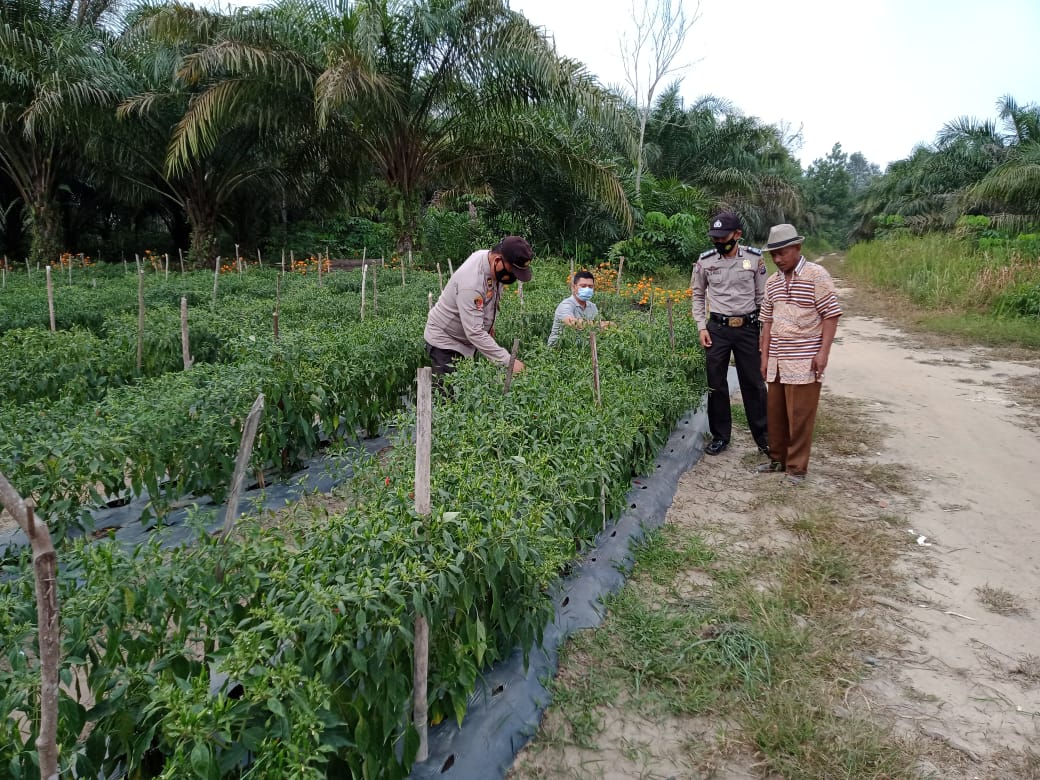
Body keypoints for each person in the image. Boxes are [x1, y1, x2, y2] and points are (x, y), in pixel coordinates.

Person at [757, 224, 842, 485]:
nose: (778, 259)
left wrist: (823, 353)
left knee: (800, 415)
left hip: (804, 359)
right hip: (778, 360)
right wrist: (764, 356)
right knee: (776, 413)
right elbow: (767, 321)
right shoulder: (772, 282)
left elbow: (831, 314)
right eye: (774, 255)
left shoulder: (817, 276)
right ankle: (777, 459)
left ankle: (796, 468)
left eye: (782, 253)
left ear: (797, 248)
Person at [691, 211, 769, 456]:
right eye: (715, 238)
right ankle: (720, 436)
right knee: (716, 384)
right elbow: (697, 294)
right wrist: (701, 326)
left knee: (754, 384)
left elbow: (762, 298)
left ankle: (764, 438)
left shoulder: (755, 259)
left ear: (737, 235)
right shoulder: (705, 261)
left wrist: (763, 332)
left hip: (748, 328)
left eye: (723, 237)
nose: (718, 242)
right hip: (717, 330)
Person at [423, 236, 533, 376]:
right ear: (498, 260)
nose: (513, 277)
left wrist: (488, 324)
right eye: (512, 271)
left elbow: (489, 296)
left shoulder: (487, 259)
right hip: (445, 341)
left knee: (465, 388)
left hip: (465, 340)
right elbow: (474, 332)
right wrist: (508, 362)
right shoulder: (471, 284)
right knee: (449, 394)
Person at [547, 270, 612, 346]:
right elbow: (571, 323)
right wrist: (600, 324)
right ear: (574, 287)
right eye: (583, 286)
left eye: (590, 286)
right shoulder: (566, 305)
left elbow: (598, 330)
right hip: (559, 349)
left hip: (581, 348)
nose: (587, 289)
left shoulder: (592, 307)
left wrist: (609, 326)